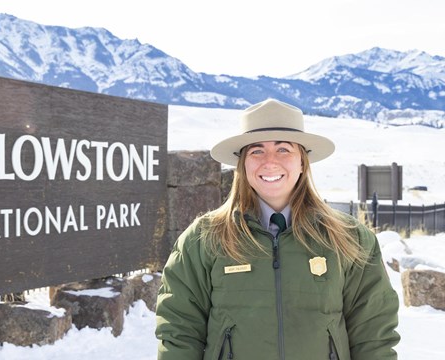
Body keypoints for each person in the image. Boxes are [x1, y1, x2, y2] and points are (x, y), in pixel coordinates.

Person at [155, 99, 400, 360]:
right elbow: (179, 331)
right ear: (243, 164)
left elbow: (374, 334)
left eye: (283, 149)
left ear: (303, 162)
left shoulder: (350, 238)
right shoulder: (204, 239)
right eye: (256, 151)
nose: (270, 162)